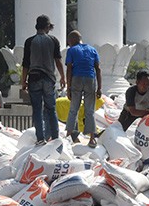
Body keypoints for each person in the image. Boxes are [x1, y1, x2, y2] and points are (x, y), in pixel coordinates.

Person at [21, 15, 66, 145]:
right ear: (47, 27)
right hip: (48, 78)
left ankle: (40, 138)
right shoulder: (53, 41)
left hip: (34, 78)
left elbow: (26, 64)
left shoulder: (30, 41)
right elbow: (58, 61)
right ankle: (55, 137)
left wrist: (23, 81)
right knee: (51, 109)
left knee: (37, 109)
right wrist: (62, 77)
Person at [65, 30, 102, 148]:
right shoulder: (92, 50)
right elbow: (98, 69)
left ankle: (69, 135)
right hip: (90, 79)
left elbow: (69, 69)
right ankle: (92, 139)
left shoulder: (71, 50)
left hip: (76, 79)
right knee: (89, 110)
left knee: (73, 109)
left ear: (71, 41)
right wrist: (99, 88)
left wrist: (68, 87)